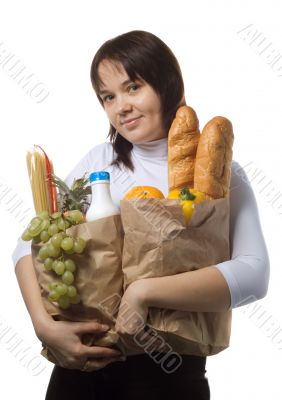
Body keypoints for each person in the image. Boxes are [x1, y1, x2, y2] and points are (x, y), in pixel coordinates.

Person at [12, 30, 270, 400]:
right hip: (80, 366)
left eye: (133, 87)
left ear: (168, 84)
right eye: (108, 97)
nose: (121, 106)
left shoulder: (218, 172)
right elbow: (27, 248)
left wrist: (143, 293)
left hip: (169, 375)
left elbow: (253, 273)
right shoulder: (99, 163)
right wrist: (43, 326)